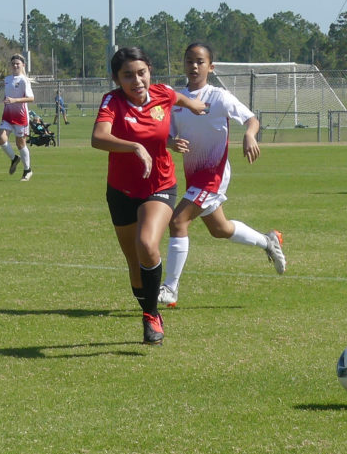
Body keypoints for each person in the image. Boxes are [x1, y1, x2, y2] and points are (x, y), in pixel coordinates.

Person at [92, 46, 208, 345]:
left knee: (147, 243)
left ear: (150, 72)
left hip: (160, 185)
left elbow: (176, 97)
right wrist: (134, 146)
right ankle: (147, 307)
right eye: (127, 75)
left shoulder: (163, 93)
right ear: (117, 79)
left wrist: (193, 104)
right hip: (120, 191)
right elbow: (98, 137)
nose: (136, 80)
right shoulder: (112, 101)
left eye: (141, 73)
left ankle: (152, 315)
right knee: (135, 266)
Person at [158, 43, 287, 307]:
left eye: (200, 61)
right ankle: (268, 241)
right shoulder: (178, 101)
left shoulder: (219, 97)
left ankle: (170, 288)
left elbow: (252, 119)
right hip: (195, 177)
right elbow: (166, 135)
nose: (194, 66)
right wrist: (171, 143)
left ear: (210, 67)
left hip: (213, 176)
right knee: (220, 229)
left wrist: (249, 135)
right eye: (189, 61)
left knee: (178, 221)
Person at [0, 54, 35, 181]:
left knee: (20, 143)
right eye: (13, 64)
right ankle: (14, 158)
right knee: (1, 138)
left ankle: (27, 170)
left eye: (18, 64)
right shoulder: (7, 79)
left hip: (20, 116)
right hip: (7, 115)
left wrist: (14, 100)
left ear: (23, 65)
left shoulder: (24, 80)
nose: (15, 66)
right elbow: (8, 95)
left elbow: (31, 98)